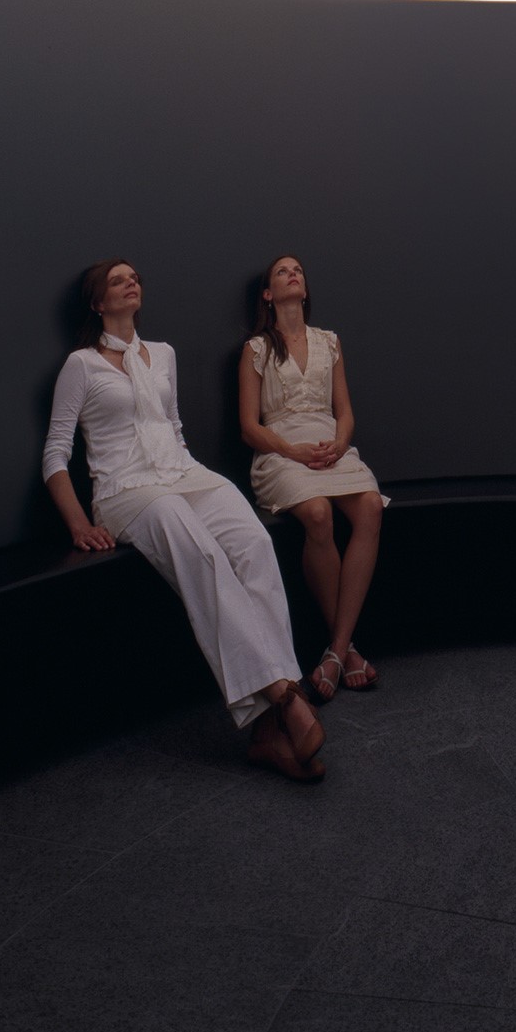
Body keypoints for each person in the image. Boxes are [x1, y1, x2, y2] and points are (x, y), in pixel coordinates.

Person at [43, 257, 325, 782]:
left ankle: (265, 734)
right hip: (127, 491)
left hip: (183, 474)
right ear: (98, 303)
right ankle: (284, 694)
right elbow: (56, 455)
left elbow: (172, 429)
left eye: (134, 277)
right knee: (201, 553)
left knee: (254, 544)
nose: (132, 282)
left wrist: (191, 469)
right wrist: (79, 523)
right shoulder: (81, 364)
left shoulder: (164, 355)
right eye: (116, 280)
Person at [239, 253, 385, 703]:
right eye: (282, 272)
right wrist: (292, 449)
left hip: (329, 446)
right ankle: (348, 652)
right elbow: (249, 427)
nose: (293, 274)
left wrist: (340, 443)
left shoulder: (330, 341)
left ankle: (337, 651)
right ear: (268, 293)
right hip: (281, 452)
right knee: (318, 515)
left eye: (298, 270)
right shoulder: (256, 349)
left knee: (369, 507)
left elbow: (344, 410)